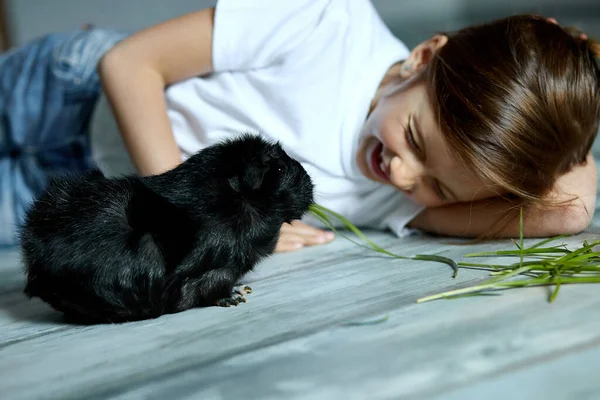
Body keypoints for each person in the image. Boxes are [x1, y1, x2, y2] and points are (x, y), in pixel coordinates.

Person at [0, 0, 598, 251]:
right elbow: (128, 65)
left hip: (85, 197)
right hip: (67, 92)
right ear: (422, 59)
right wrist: (195, 210)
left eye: (439, 189)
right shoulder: (326, 23)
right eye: (414, 139)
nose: (402, 174)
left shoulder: (394, 193)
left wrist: (563, 124)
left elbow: (567, 212)